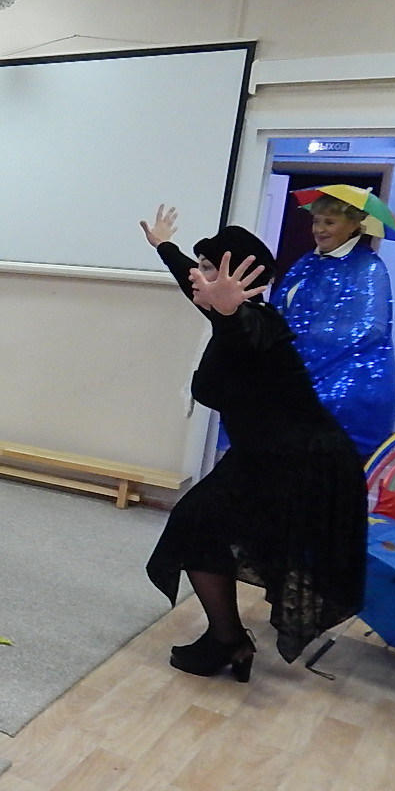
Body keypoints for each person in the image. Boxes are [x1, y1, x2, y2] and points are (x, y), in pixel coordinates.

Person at [139, 206, 366, 675]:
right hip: (264, 454)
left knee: (194, 526)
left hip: (301, 460)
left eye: (209, 268)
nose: (197, 275)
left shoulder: (256, 324)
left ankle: (227, 640)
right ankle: (228, 639)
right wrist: (164, 245)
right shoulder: (226, 312)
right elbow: (192, 281)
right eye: (201, 267)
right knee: (201, 530)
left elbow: (241, 329)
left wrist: (227, 309)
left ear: (242, 280)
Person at [273, 191, 395, 459]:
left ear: (354, 224)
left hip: (348, 391)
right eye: (316, 221)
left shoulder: (368, 267)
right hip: (299, 380)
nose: (319, 229)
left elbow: (371, 330)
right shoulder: (307, 262)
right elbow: (280, 308)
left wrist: (306, 335)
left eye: (329, 222)